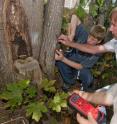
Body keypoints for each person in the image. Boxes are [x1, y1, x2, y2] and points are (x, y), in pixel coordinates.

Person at [55, 15, 106, 92]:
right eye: (89, 36)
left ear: (99, 41)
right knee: (59, 61)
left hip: (79, 68)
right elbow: (74, 17)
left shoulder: (96, 53)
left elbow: (80, 66)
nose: (89, 40)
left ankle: (79, 87)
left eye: (93, 39)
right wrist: (71, 35)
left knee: (87, 77)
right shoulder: (84, 35)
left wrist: (63, 59)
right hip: (70, 58)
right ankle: (69, 81)